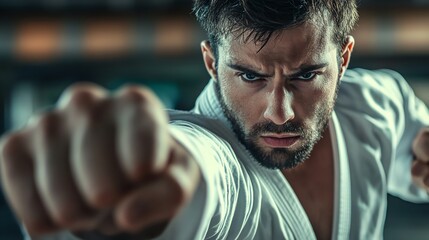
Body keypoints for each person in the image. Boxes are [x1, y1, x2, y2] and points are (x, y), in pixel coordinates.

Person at [0, 0, 428, 239]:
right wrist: (135, 183)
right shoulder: (211, 154)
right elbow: (199, 175)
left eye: (307, 75)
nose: (280, 112)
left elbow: (413, 152)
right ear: (211, 61)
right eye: (249, 76)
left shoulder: (378, 102)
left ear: (344, 57)